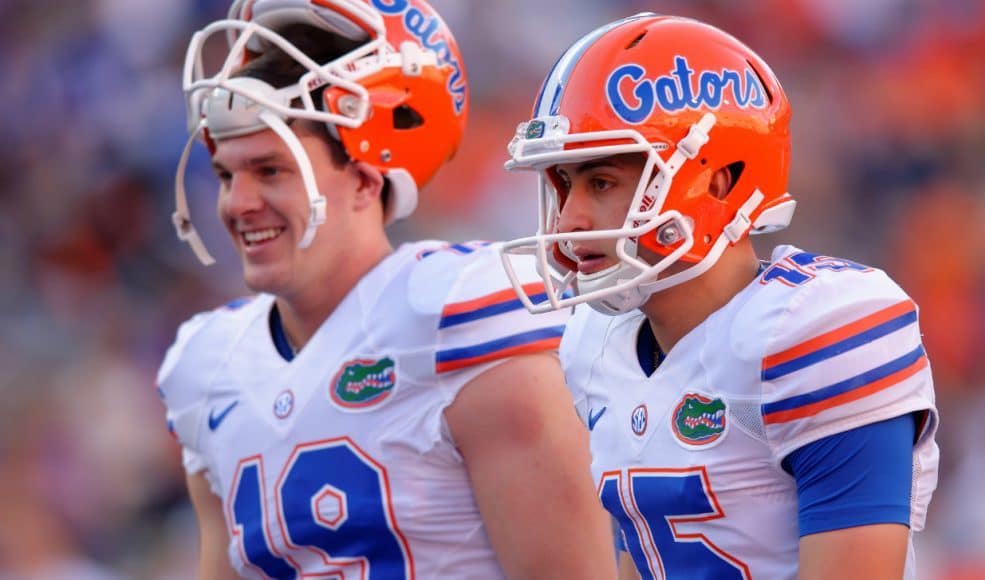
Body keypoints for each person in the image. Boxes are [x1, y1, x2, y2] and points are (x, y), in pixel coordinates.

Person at [156, 1, 616, 578]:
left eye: (271, 170)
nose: (238, 203)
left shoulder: (460, 320)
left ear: (365, 177)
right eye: (227, 174)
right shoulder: (207, 367)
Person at [499, 13, 939, 580]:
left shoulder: (819, 330)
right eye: (562, 186)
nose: (570, 218)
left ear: (717, 180)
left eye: (600, 183)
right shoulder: (596, 347)